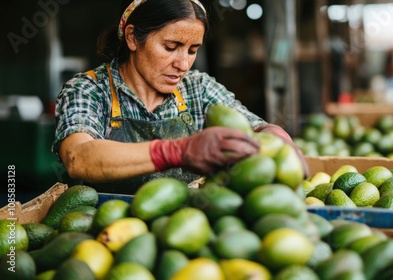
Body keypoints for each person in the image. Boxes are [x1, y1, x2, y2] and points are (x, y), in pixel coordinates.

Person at [52, 0, 308, 194]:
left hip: (184, 231)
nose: (183, 64)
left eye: (192, 50)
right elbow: (78, 157)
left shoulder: (198, 89)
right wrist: (176, 151)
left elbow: (255, 126)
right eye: (171, 47)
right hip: (108, 234)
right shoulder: (89, 90)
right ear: (132, 37)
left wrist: (278, 138)